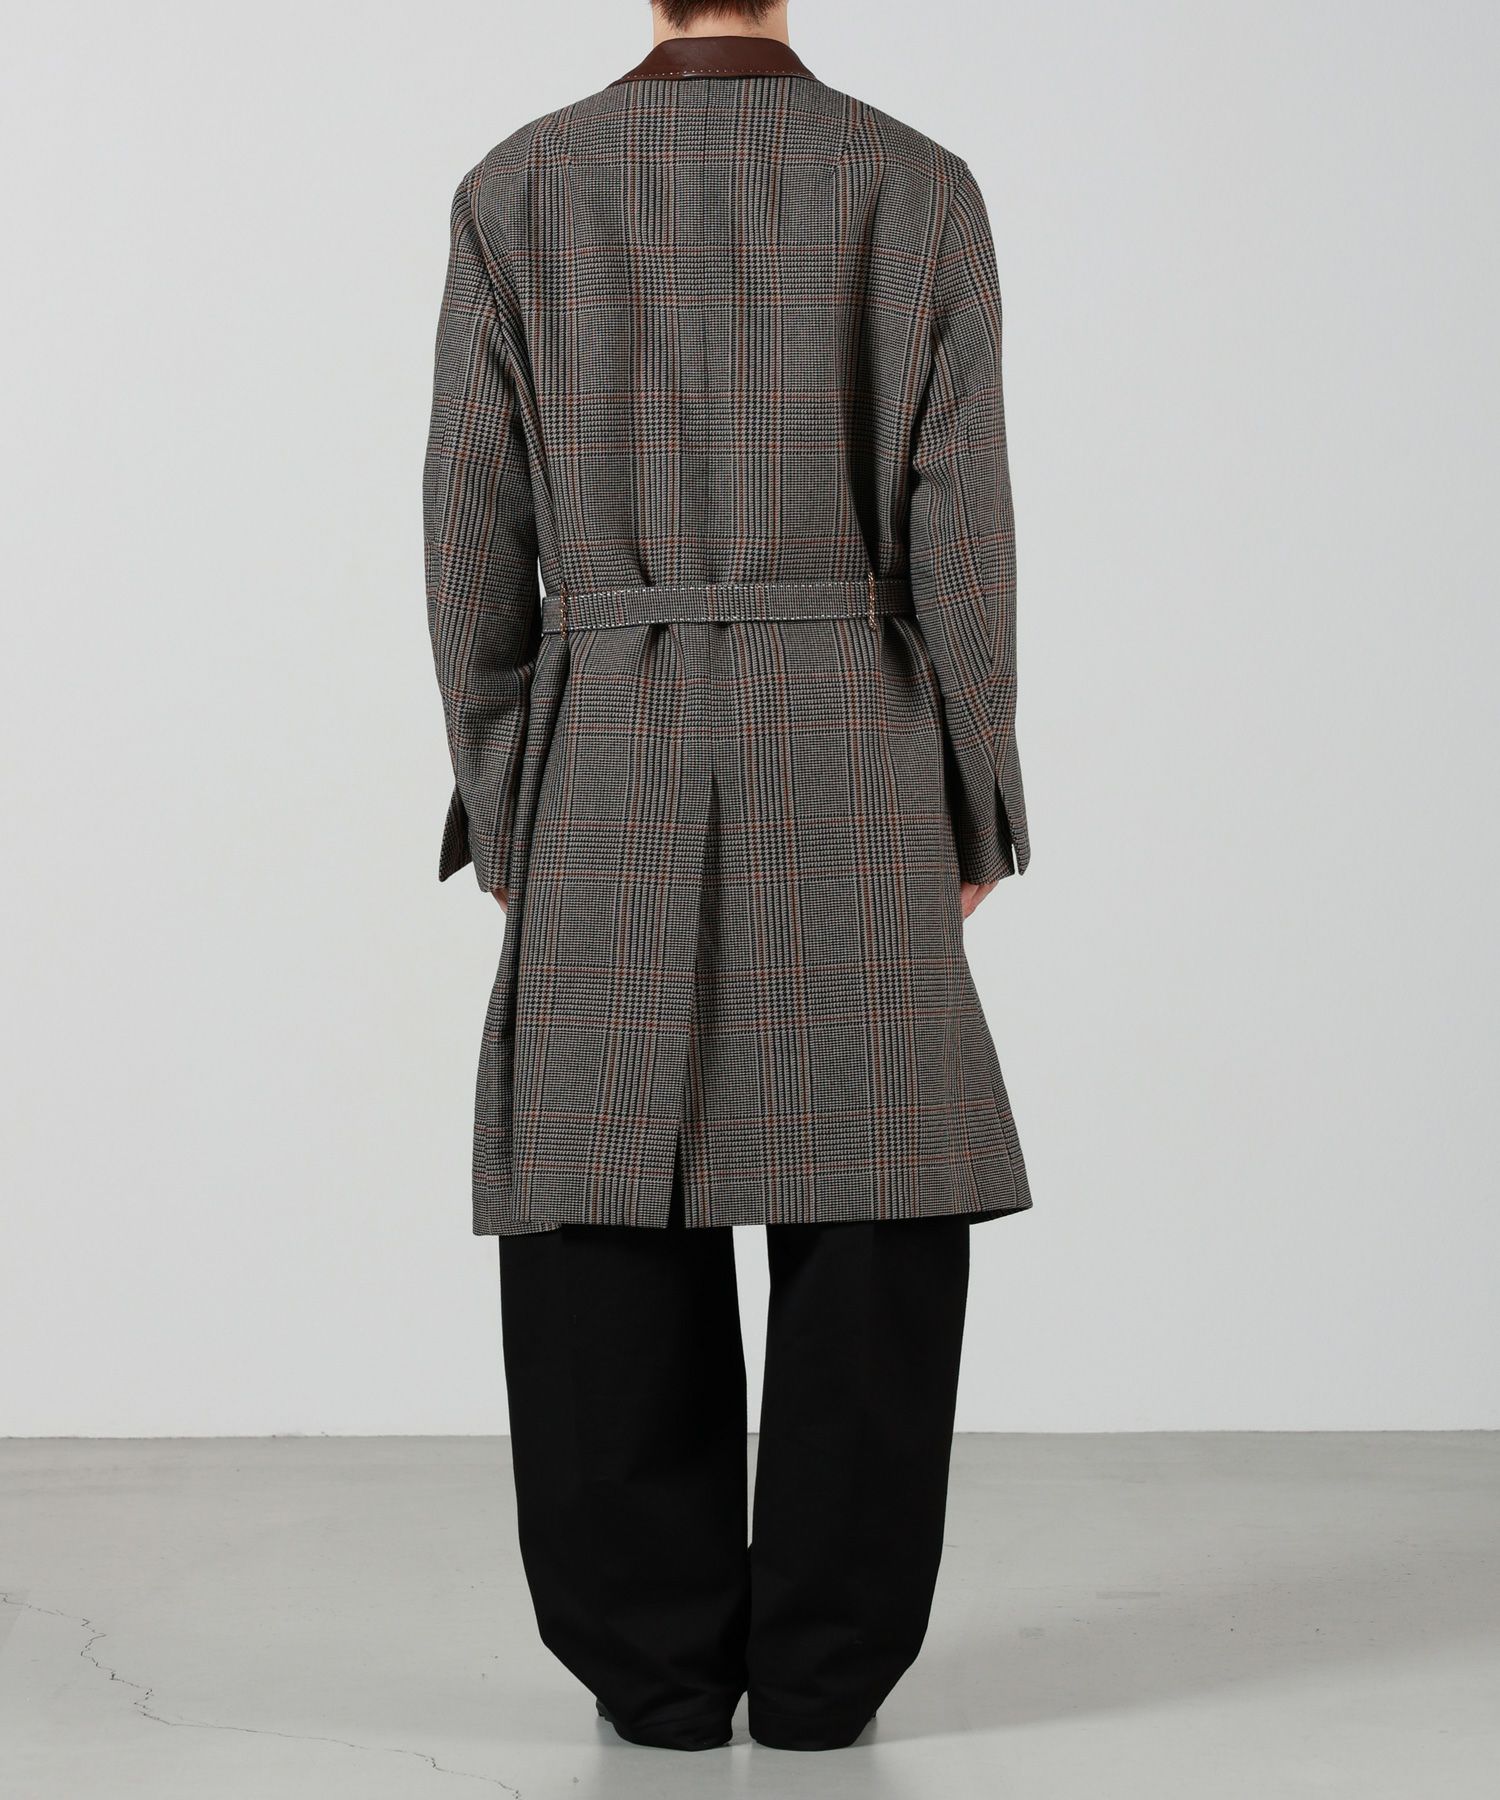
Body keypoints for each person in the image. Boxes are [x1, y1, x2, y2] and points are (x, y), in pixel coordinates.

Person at [422, 0, 1033, 1755]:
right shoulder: (914, 185)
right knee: (876, 1184)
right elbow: (961, 520)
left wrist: (506, 787)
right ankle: (830, 1675)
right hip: (853, 724)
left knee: (602, 1186)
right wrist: (973, 789)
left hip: (606, 729)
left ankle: (657, 1671)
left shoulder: (521, 188)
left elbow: (470, 521)